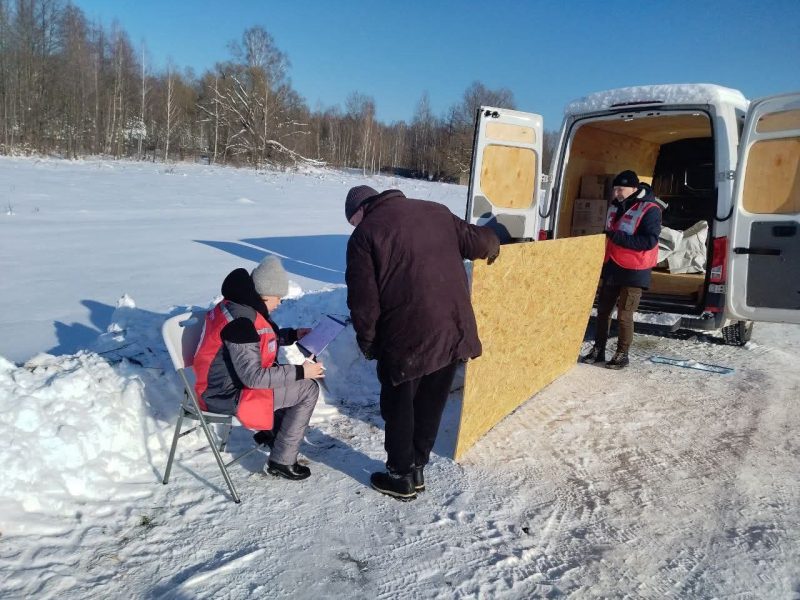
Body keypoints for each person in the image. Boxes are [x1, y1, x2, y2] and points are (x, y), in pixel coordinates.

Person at [344, 185, 500, 500]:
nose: (355, 227)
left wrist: (369, 342)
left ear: (361, 210)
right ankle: (417, 468)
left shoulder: (365, 235)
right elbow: (482, 241)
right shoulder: (437, 211)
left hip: (406, 335)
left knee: (399, 406)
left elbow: (363, 301)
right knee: (430, 402)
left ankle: (400, 476)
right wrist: (495, 247)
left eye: (353, 221)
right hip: (452, 330)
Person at [193, 256, 325, 481]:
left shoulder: (237, 307)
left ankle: (274, 433)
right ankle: (282, 461)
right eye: (278, 298)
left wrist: (292, 335)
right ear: (264, 295)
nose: (280, 303)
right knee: (308, 388)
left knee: (289, 379)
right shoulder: (241, 323)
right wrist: (302, 371)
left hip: (223, 384)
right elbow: (254, 377)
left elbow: (257, 342)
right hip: (222, 395)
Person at [580, 170, 664, 369]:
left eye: (621, 189)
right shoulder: (614, 207)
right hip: (612, 265)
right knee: (602, 311)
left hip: (635, 269)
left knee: (624, 314)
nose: (617, 192)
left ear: (634, 189)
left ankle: (621, 354)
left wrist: (618, 237)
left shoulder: (650, 209)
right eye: (615, 188)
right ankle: (598, 349)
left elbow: (649, 240)